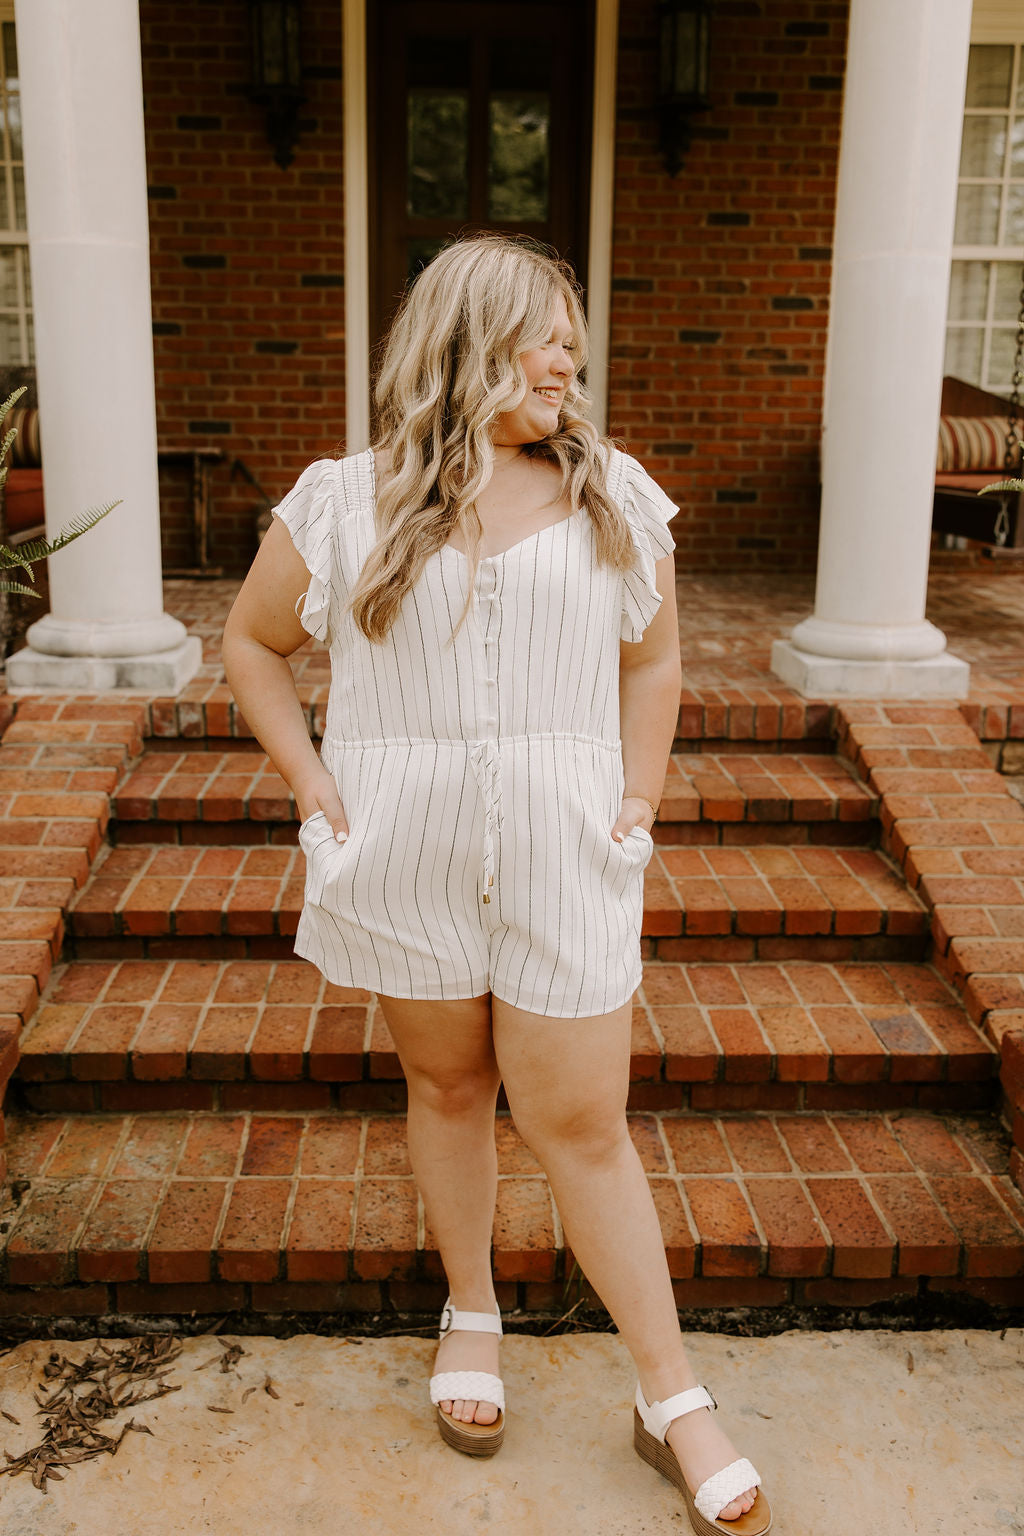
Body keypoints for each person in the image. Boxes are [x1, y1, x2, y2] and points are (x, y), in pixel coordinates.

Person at [222, 235, 772, 1534]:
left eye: (575, 340)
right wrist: (312, 781)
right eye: (545, 337)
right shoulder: (343, 501)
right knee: (450, 1087)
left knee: (582, 1124)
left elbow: (653, 659)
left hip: (565, 850)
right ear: (467, 343)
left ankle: (671, 1397)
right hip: (403, 850)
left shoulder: (614, 496)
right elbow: (250, 640)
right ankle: (471, 1313)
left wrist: (638, 796)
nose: (569, 361)